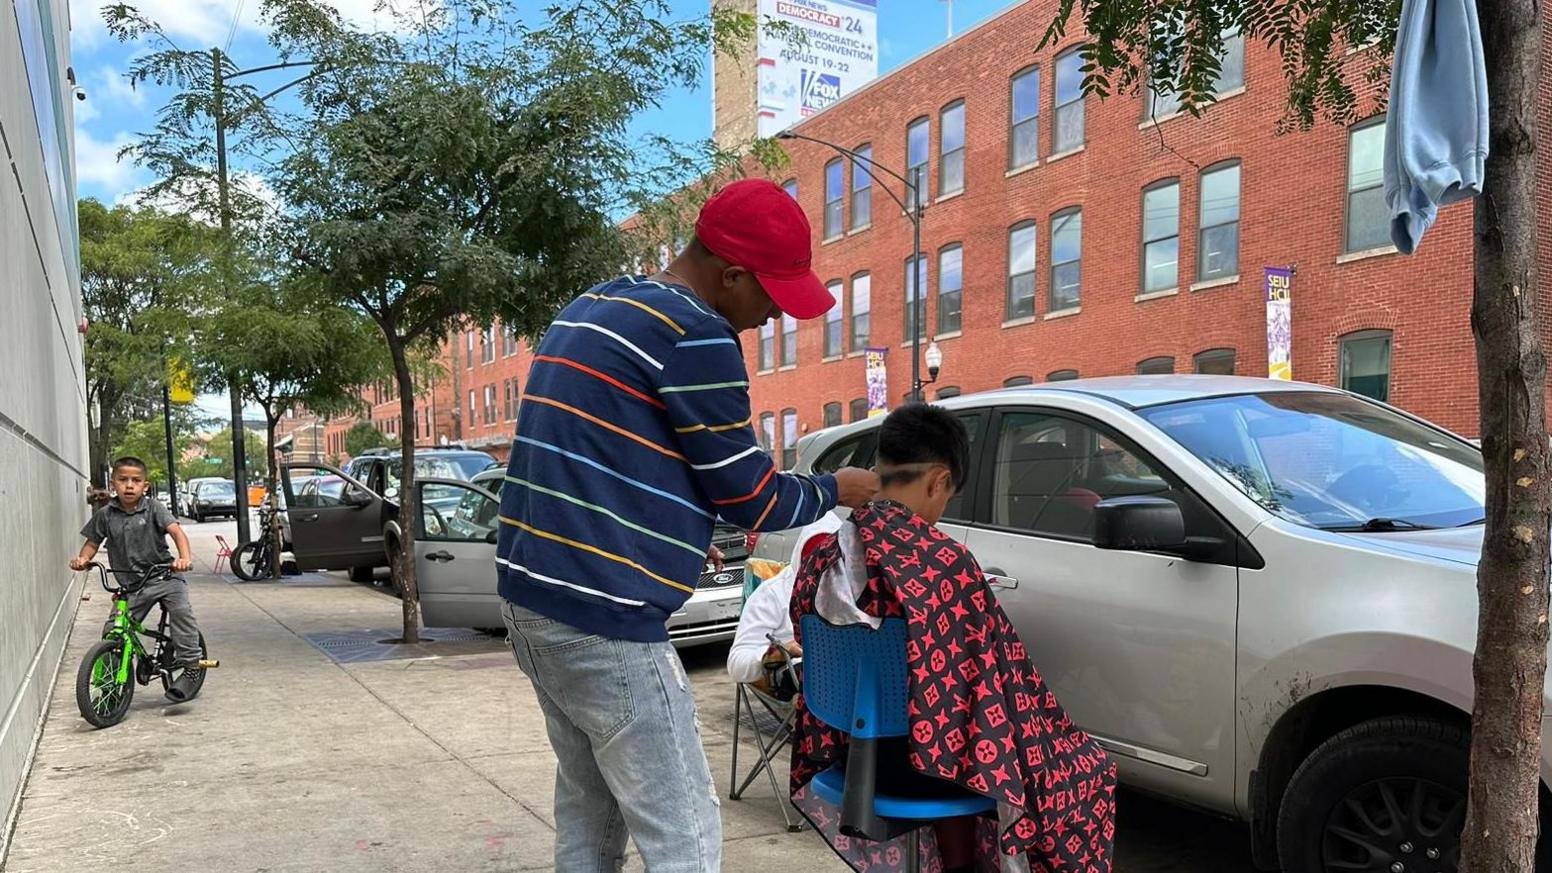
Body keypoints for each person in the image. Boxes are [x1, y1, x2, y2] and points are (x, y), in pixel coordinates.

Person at [496, 178, 881, 873]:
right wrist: (836, 487)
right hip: (605, 618)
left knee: (591, 808)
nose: (770, 318)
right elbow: (753, 500)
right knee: (686, 832)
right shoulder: (697, 333)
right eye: (769, 296)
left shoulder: (599, 303)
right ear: (730, 273)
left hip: (532, 604)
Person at [788, 405, 1117, 873]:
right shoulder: (944, 563)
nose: (942, 512)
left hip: (847, 754)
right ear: (939, 481)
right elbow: (1002, 684)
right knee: (1088, 767)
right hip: (927, 764)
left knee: (954, 740)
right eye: (948, 498)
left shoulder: (824, 556)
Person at [70, 456, 202, 702]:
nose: (129, 485)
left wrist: (183, 559)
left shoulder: (154, 508)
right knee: (113, 630)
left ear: (145, 485)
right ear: (113, 484)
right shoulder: (106, 515)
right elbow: (92, 543)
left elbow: (177, 532)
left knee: (181, 612)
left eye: (136, 481)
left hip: (164, 577)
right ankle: (110, 685)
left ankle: (192, 666)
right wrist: (82, 560)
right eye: (123, 480)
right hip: (131, 586)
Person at [726, 513, 843, 692]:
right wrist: (778, 653)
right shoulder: (773, 593)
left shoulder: (853, 588)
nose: (819, 569)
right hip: (802, 682)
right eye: (813, 560)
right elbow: (737, 663)